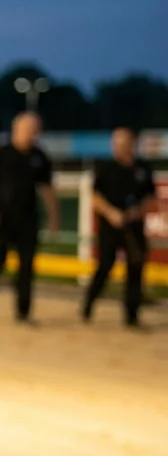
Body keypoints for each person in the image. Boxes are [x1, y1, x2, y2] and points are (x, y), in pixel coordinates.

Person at [0, 112, 60, 322]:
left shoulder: (39, 157)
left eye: (35, 130)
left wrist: (54, 218)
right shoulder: (0, 154)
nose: (32, 134)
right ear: (16, 129)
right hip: (2, 219)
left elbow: (47, 190)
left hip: (28, 220)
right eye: (28, 129)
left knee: (27, 268)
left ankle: (23, 312)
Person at [81, 128, 156, 327]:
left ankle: (132, 316)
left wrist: (135, 212)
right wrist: (111, 213)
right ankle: (88, 305)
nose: (121, 146)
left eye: (125, 142)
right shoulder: (106, 167)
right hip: (110, 226)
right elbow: (95, 196)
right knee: (105, 265)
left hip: (134, 226)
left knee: (135, 267)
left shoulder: (143, 167)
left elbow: (150, 197)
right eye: (117, 142)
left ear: (133, 143)